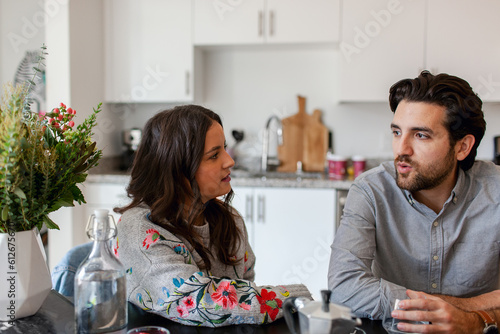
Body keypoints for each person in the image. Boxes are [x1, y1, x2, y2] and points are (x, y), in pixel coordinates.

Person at [328, 71, 500, 333]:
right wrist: (466, 306)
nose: (402, 150)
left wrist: (474, 321)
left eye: (421, 135)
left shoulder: (496, 190)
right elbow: (344, 285)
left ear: (462, 147)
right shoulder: (371, 190)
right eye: (397, 132)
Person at [114, 105, 311, 327]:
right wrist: (297, 298)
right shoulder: (140, 230)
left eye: (224, 149)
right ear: (177, 168)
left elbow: (243, 289)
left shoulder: (229, 219)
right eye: (214, 155)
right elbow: (202, 300)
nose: (229, 161)